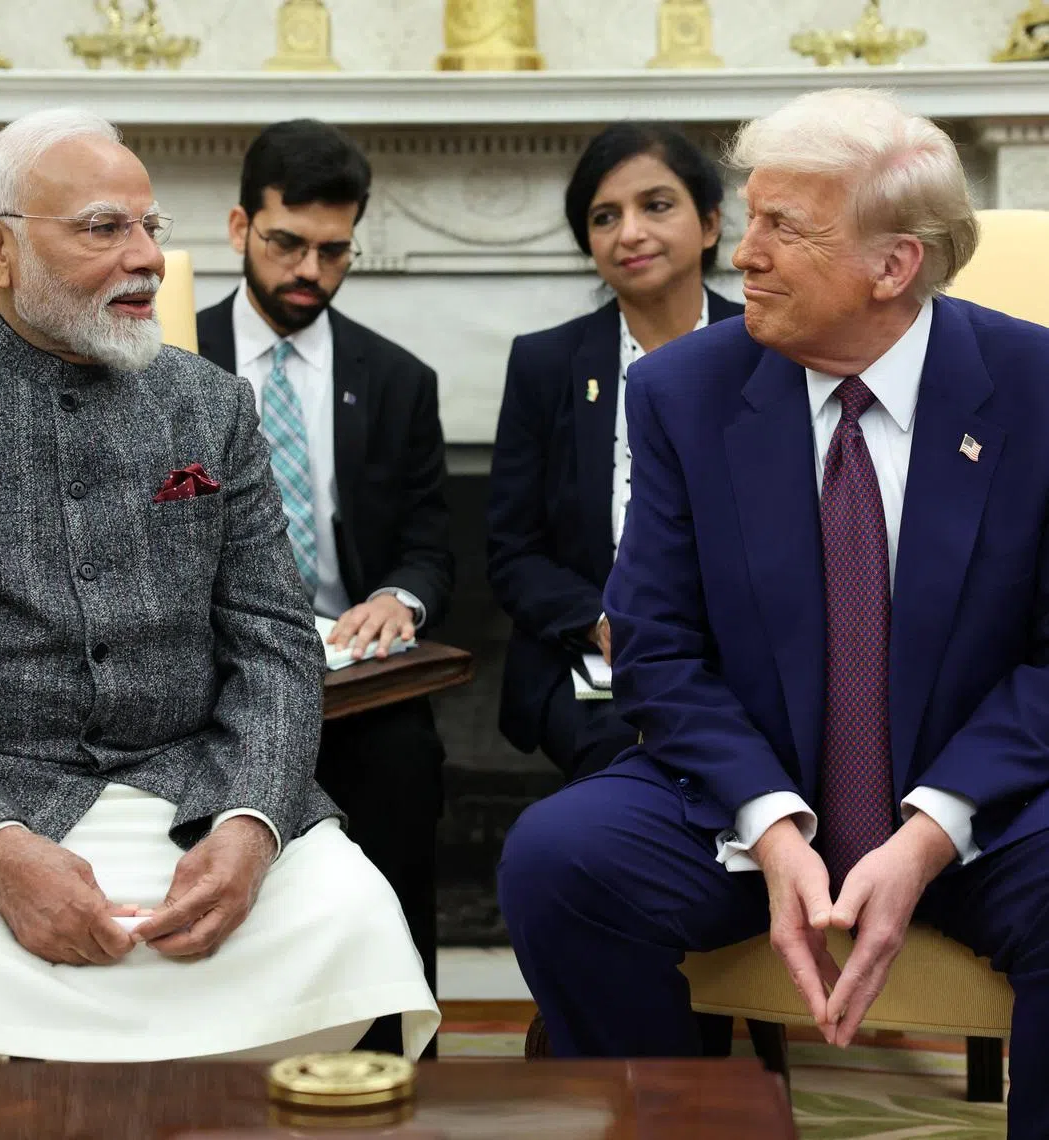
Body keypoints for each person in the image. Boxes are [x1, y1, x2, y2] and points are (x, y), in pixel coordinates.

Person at [498, 87, 1049, 1139]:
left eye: (784, 228)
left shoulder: (1033, 387)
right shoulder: (682, 391)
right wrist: (774, 825)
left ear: (894, 267)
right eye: (749, 219)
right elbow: (655, 644)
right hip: (748, 795)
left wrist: (933, 827)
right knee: (559, 862)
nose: (742, 254)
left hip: (982, 805)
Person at [0, 107, 439, 1064]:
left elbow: (274, 642)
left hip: (190, 792)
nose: (146, 259)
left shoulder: (209, 402)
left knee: (351, 923)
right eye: (104, 228)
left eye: (152, 228)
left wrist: (253, 825)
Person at [197, 120, 452, 1038]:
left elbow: (431, 538)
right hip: (206, 679)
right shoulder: (167, 365)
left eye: (333, 250)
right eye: (287, 244)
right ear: (239, 229)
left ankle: (395, 1050)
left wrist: (401, 597)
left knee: (404, 771)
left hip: (354, 673)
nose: (310, 268)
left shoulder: (397, 379)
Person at [487, 122, 742, 782]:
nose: (630, 232)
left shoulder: (767, 352)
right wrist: (601, 622)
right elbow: (513, 551)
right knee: (624, 759)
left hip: (744, 650)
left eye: (656, 205)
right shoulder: (546, 364)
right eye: (605, 217)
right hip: (594, 657)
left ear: (710, 224)